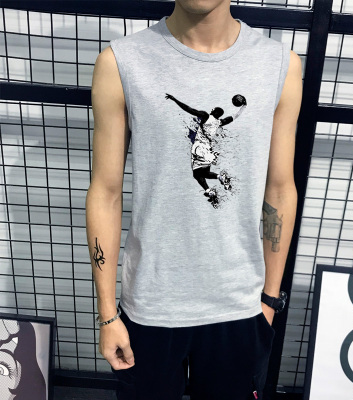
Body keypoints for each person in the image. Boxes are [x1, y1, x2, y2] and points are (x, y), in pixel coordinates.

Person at [86, 0, 302, 398]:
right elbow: (105, 192)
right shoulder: (122, 62)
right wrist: (107, 315)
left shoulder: (279, 66)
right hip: (151, 305)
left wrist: (270, 300)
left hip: (239, 307)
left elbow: (279, 188)